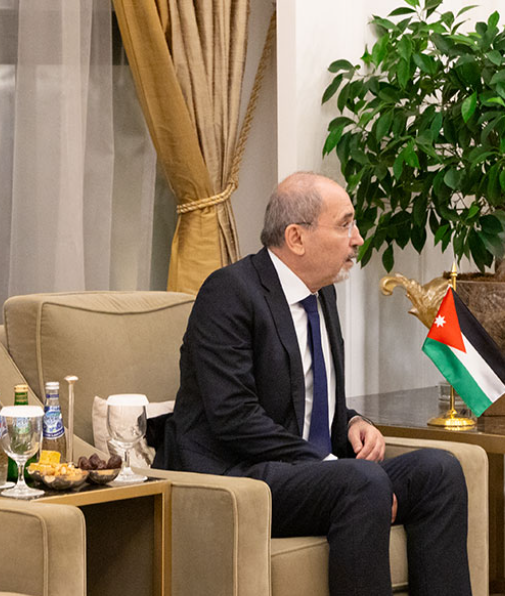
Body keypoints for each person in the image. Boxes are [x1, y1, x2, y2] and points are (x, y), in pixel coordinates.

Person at [156, 172, 472, 596]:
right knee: (364, 481)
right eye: (345, 225)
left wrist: (352, 422)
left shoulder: (322, 294)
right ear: (296, 237)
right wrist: (329, 464)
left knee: (439, 471)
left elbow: (305, 399)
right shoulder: (230, 292)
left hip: (307, 471)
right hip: (242, 474)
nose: (358, 239)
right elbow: (234, 416)